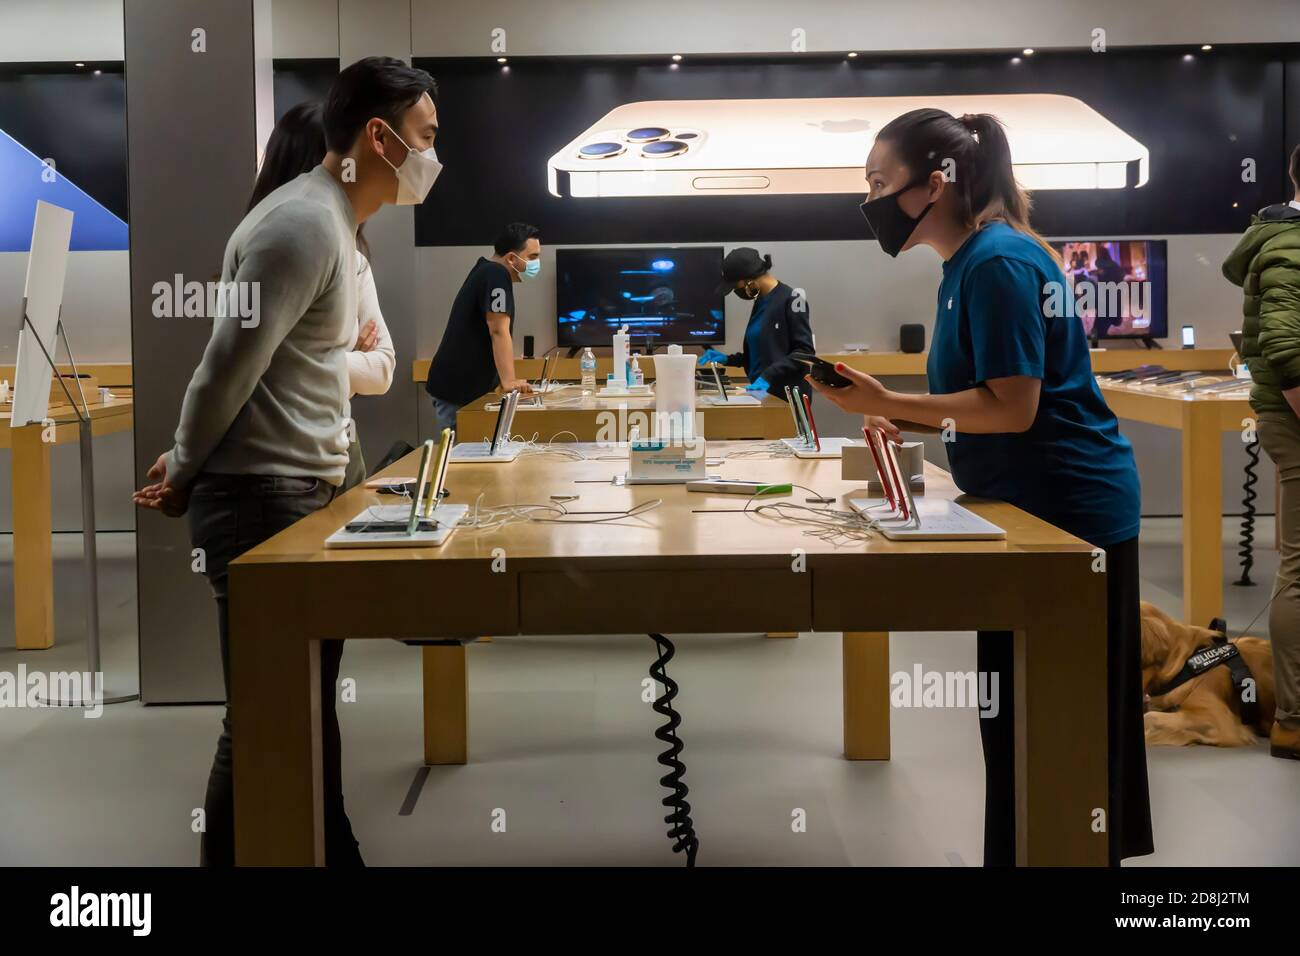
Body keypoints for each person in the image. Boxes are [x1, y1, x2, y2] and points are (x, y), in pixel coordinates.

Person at [811, 107, 1152, 866]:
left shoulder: (997, 264)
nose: (869, 200)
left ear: (936, 185)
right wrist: (913, 422)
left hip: (1069, 516)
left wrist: (890, 402)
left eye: (878, 183)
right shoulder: (966, 266)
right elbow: (990, 405)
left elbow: (1016, 405)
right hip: (1028, 510)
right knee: (1018, 725)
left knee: (1061, 728)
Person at [133, 56, 442, 866]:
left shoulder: (331, 226)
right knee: (268, 712)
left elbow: (285, 371)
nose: (432, 157)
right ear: (378, 137)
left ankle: (327, 848)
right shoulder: (301, 225)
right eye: (424, 137)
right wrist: (186, 466)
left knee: (299, 705)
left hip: (297, 492)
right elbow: (224, 369)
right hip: (263, 500)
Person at [247, 101, 396, 491]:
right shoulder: (266, 250)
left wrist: (312, 360)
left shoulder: (355, 260)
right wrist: (346, 357)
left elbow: (382, 369)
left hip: (341, 445)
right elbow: (255, 366)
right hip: (278, 465)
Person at [1222, 143, 1300, 760]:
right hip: (1293, 419)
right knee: (1299, 570)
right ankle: (1294, 720)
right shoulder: (1289, 246)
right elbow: (1285, 346)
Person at [425, 222, 539, 436]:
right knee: (458, 461)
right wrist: (509, 381)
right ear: (512, 259)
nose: (536, 264)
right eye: (532, 257)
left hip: (459, 389)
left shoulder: (486, 270)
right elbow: (498, 330)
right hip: (456, 393)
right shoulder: (496, 275)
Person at [697, 247, 815, 398]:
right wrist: (728, 359)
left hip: (787, 397)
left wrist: (768, 376)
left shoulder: (792, 299)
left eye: (735, 286)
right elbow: (762, 353)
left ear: (749, 282)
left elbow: (804, 353)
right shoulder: (760, 301)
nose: (735, 291)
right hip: (762, 394)